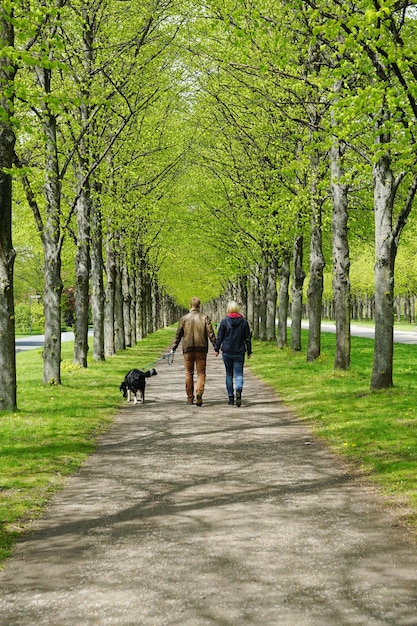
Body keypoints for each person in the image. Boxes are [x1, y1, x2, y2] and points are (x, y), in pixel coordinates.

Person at [170, 297, 217, 406]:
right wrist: (216, 346)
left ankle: (190, 398)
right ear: (199, 306)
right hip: (201, 349)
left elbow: (178, 335)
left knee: (188, 373)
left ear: (190, 305)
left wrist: (173, 348)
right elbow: (210, 333)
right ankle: (199, 392)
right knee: (201, 373)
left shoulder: (184, 319)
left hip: (188, 349)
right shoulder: (205, 317)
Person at [213, 301, 252, 407]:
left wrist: (216, 349)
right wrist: (249, 351)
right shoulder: (244, 322)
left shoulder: (224, 322)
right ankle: (238, 390)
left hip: (227, 351)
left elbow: (220, 337)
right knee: (239, 374)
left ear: (228, 309)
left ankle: (231, 397)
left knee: (229, 374)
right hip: (239, 351)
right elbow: (247, 338)